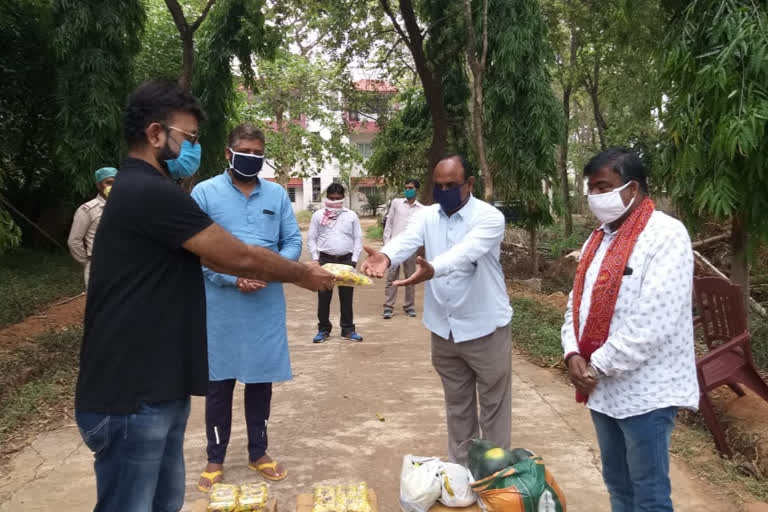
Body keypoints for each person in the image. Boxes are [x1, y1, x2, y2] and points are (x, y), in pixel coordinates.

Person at [74, 79, 334, 512]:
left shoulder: (152, 192)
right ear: (156, 134)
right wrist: (302, 273)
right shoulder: (148, 192)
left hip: (154, 390)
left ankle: (257, 448)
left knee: (162, 503)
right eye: (188, 137)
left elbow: (231, 255)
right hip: (130, 397)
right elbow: (234, 256)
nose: (193, 147)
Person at [560, 148, 698, 512]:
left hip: (645, 393)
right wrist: (572, 351)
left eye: (602, 187)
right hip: (602, 390)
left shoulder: (666, 235)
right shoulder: (597, 239)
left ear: (632, 188)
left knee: (649, 494)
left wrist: (597, 364)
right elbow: (577, 303)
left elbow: (655, 318)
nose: (594, 198)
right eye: (590, 189)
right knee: (618, 487)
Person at [361, 155, 513, 465]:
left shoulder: (489, 217)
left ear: (469, 184)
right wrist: (387, 257)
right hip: (444, 330)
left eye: (451, 185)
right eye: (438, 185)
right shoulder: (428, 215)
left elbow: (465, 252)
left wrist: (433, 269)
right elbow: (407, 239)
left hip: (486, 328)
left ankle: (495, 478)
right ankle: (460, 473)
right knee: (457, 407)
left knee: (494, 409)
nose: (443, 191)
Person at [191, 124, 300, 491]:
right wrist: (233, 278)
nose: (252, 158)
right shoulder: (204, 193)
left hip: (265, 304)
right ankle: (214, 458)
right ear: (228, 152)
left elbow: (293, 241)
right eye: (245, 151)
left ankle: (259, 453)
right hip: (221, 305)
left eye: (258, 153)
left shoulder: (277, 195)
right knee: (219, 383)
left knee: (260, 382)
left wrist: (271, 271)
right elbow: (195, 250)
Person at [307, 183, 364, 343]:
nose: (335, 202)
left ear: (343, 198)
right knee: (324, 296)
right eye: (332, 199)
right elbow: (312, 238)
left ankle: (348, 329)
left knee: (347, 297)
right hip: (325, 260)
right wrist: (315, 259)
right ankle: (323, 329)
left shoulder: (351, 215)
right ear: (327, 198)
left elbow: (358, 238)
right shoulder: (318, 215)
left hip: (346, 260)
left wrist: (354, 260)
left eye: (338, 199)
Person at [67, 167, 117, 288]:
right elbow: (74, 241)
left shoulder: (124, 206)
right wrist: (88, 263)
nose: (114, 186)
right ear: (99, 185)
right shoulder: (87, 210)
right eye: (109, 183)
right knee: (101, 305)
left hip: (122, 265)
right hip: (98, 266)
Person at [382, 179, 424, 319]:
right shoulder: (396, 203)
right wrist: (386, 244)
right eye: (406, 187)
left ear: (416, 189)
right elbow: (389, 224)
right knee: (391, 277)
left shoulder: (422, 209)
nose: (407, 190)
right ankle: (388, 306)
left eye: (410, 187)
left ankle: (409, 306)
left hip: (411, 248)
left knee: (411, 277)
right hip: (394, 248)